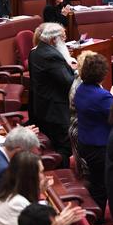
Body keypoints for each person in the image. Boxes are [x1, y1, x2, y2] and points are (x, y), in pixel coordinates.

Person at [74, 53, 113, 213]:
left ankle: (94, 214)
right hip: (99, 148)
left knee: (96, 181)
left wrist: (111, 93)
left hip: (85, 142)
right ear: (103, 73)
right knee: (102, 185)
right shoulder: (102, 96)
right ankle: (96, 219)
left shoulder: (81, 88)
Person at [28, 23, 74, 167]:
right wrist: (77, 72)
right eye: (63, 39)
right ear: (54, 40)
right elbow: (69, 82)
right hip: (55, 112)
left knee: (56, 144)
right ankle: (63, 175)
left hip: (42, 108)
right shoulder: (51, 55)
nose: (64, 42)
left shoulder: (35, 52)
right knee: (65, 147)